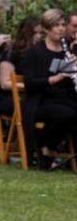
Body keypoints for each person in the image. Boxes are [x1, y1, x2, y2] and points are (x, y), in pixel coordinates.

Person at [20, 9, 77, 169]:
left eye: (63, 25)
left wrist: (73, 66)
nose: (61, 29)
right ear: (46, 29)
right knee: (68, 114)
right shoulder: (35, 52)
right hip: (40, 101)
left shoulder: (67, 52)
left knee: (70, 112)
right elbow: (30, 83)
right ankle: (45, 146)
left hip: (64, 98)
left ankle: (48, 148)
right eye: (56, 25)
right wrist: (54, 78)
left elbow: (69, 82)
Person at [0, 15, 42, 116]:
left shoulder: (38, 51)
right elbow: (4, 84)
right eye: (35, 33)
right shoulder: (12, 52)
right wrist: (31, 86)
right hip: (11, 97)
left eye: (40, 33)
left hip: (30, 95)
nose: (39, 36)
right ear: (25, 33)